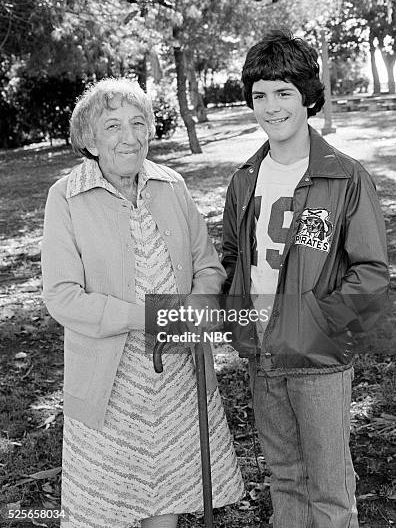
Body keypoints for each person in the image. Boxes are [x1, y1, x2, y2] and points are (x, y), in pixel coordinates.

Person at [41, 78, 244, 528]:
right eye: (112, 125)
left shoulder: (171, 184)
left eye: (138, 123)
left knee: (167, 496)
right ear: (89, 139)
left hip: (177, 372)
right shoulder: (67, 196)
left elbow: (209, 266)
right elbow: (62, 297)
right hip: (109, 380)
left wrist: (194, 306)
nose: (128, 137)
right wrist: (151, 317)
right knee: (105, 507)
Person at [221, 30, 389, 528]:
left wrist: (318, 327)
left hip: (317, 357)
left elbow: (370, 273)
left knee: (330, 490)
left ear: (307, 96)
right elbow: (234, 258)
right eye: (259, 96)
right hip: (263, 355)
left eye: (283, 93)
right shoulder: (244, 180)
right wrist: (236, 324)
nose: (270, 107)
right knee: (284, 480)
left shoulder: (345, 176)